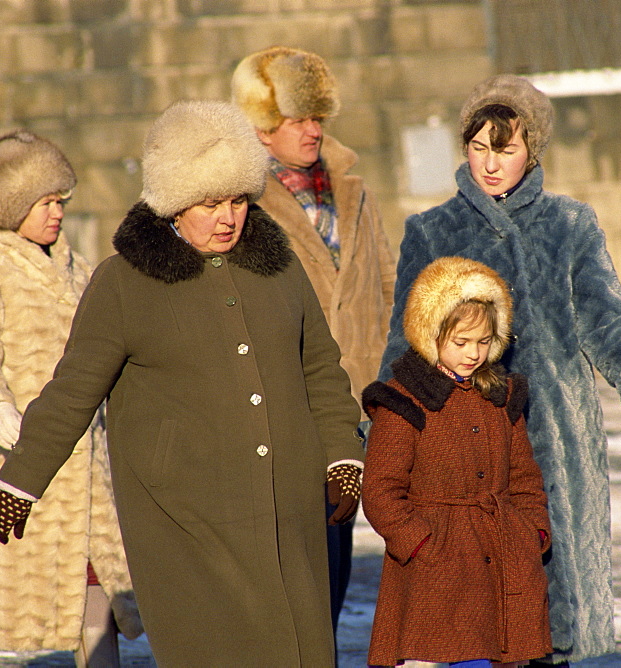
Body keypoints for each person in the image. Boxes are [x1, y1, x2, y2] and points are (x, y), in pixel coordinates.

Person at [0, 100, 366, 666]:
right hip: (188, 522)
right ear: (173, 202)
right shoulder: (123, 283)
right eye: (209, 203)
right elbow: (72, 393)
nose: (227, 218)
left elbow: (321, 370)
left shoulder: (279, 266)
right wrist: (20, 482)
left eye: (237, 200)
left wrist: (341, 456)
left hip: (290, 509)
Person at [378, 75, 621, 664]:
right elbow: (407, 340)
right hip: (462, 451)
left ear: (533, 149)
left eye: (507, 148)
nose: (491, 164)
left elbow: (606, 315)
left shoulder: (569, 225)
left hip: (556, 445)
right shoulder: (431, 231)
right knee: (478, 621)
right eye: (479, 147)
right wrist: (388, 428)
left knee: (555, 609)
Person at [0, 131, 142, 668]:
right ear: (12, 206)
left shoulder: (85, 275)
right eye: (45, 202)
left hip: (85, 480)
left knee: (96, 596)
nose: (57, 214)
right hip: (2, 468)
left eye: (61, 202)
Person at [231, 45, 396, 633]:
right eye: (299, 118)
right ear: (263, 128)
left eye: (318, 117)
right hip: (287, 407)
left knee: (334, 562)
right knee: (290, 566)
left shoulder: (352, 192)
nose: (312, 130)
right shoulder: (241, 204)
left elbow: (384, 283)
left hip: (355, 405)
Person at [362, 256, 553, 667]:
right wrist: (420, 543)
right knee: (425, 659)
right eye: (461, 342)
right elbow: (380, 490)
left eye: (484, 341)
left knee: (499, 655)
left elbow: (524, 477)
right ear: (431, 335)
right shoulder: (403, 401)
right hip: (431, 570)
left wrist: (533, 532)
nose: (473, 354)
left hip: (501, 555)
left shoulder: (500, 396)